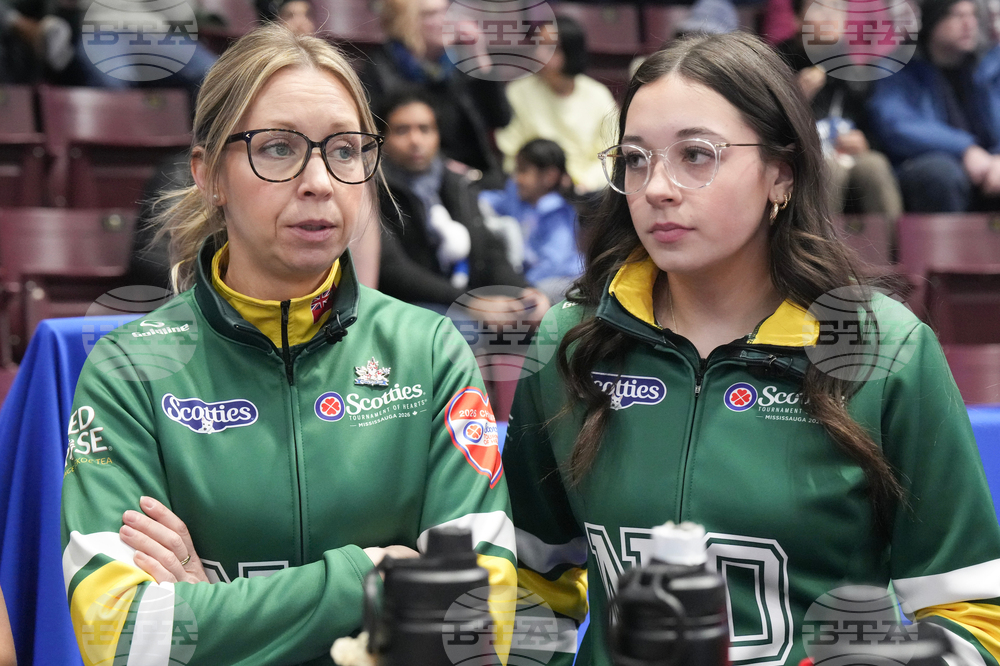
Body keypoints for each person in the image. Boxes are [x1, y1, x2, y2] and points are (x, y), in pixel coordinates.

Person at [502, 32, 1000, 666]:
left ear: (781, 175)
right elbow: (531, 583)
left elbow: (975, 614)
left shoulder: (886, 350)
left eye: (696, 155)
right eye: (635, 158)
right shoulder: (572, 342)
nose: (656, 187)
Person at [60, 24, 516, 665]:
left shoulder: (432, 352)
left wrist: (214, 604)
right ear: (208, 174)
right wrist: (370, 577)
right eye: (278, 149)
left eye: (345, 150)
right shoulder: (131, 369)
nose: (319, 181)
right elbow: (125, 635)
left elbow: (474, 621)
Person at [376, 87, 543, 313]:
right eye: (402, 130)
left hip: (464, 299)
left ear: (438, 135)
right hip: (409, 307)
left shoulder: (458, 182)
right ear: (382, 138)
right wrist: (469, 302)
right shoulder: (373, 188)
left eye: (425, 129)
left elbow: (488, 250)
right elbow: (393, 271)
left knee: (542, 312)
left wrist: (522, 290)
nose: (415, 140)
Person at [360, 0, 510, 187]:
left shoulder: (460, 63)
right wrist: (443, 166)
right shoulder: (380, 69)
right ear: (405, 22)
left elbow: (501, 119)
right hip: (412, 178)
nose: (445, 21)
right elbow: (376, 138)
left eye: (446, 12)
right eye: (431, 14)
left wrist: (479, 57)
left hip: (477, 175)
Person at [868, 0, 1000, 212]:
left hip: (988, 164)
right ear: (933, 20)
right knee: (941, 174)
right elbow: (896, 124)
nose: (969, 24)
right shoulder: (900, 68)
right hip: (923, 163)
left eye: (973, 15)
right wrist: (964, 149)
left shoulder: (989, 67)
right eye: (958, 15)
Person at [776, 0, 902, 217]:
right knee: (829, 170)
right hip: (799, 158)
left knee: (876, 166)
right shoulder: (776, 63)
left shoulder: (853, 69)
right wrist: (796, 100)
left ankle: (896, 249)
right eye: (820, 7)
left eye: (837, 6)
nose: (830, 14)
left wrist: (865, 141)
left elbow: (876, 127)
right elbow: (765, 130)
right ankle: (817, 250)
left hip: (846, 155)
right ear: (797, 20)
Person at [495, 15, 617, 195]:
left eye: (549, 47)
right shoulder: (518, 92)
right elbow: (511, 153)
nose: (538, 54)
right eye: (538, 45)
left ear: (570, 52)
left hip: (588, 191)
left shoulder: (598, 96)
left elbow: (612, 155)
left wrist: (584, 183)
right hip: (534, 190)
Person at [479, 138, 584, 304]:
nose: (516, 178)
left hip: (562, 279)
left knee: (532, 297)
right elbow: (492, 201)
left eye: (523, 171)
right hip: (525, 278)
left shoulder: (558, 212)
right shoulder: (518, 199)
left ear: (549, 176)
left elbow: (554, 263)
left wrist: (522, 285)